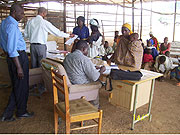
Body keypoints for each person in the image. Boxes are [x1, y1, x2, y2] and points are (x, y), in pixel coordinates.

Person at [0, 4, 33, 122]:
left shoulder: (4, 23)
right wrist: (19, 67)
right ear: (14, 12)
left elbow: (4, 43)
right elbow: (12, 49)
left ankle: (9, 113)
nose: (22, 15)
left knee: (17, 85)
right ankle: (21, 111)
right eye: (21, 13)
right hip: (18, 58)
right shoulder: (12, 26)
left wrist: (8, 54)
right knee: (22, 86)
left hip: (12, 57)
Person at [63, 40, 106, 108]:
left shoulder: (68, 56)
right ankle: (95, 106)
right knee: (97, 82)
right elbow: (95, 77)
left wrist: (92, 67)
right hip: (80, 84)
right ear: (83, 49)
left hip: (70, 81)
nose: (87, 52)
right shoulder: (84, 59)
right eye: (87, 50)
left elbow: (78, 68)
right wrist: (101, 70)